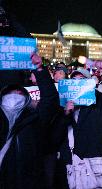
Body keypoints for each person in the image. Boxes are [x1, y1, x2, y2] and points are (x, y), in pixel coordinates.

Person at [56, 62, 102, 188]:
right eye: (74, 81)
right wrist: (66, 114)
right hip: (71, 169)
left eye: (82, 81)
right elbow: (55, 135)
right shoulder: (62, 104)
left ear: (90, 84)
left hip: (96, 170)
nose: (77, 84)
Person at [0, 53, 60, 188]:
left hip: (29, 182)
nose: (14, 96)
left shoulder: (35, 119)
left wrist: (39, 69)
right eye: (10, 93)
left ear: (26, 97)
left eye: (19, 92)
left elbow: (50, 99)